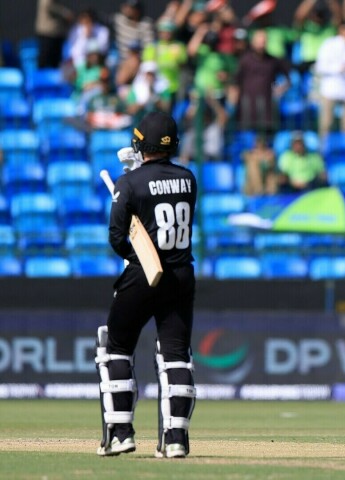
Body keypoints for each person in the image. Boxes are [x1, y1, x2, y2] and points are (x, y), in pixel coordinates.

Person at [95, 111, 197, 459]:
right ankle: (176, 440)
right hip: (181, 274)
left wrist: (131, 255)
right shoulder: (189, 179)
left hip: (143, 275)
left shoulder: (130, 183)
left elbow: (116, 236)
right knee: (176, 356)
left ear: (140, 143)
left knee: (115, 346)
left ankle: (121, 433)